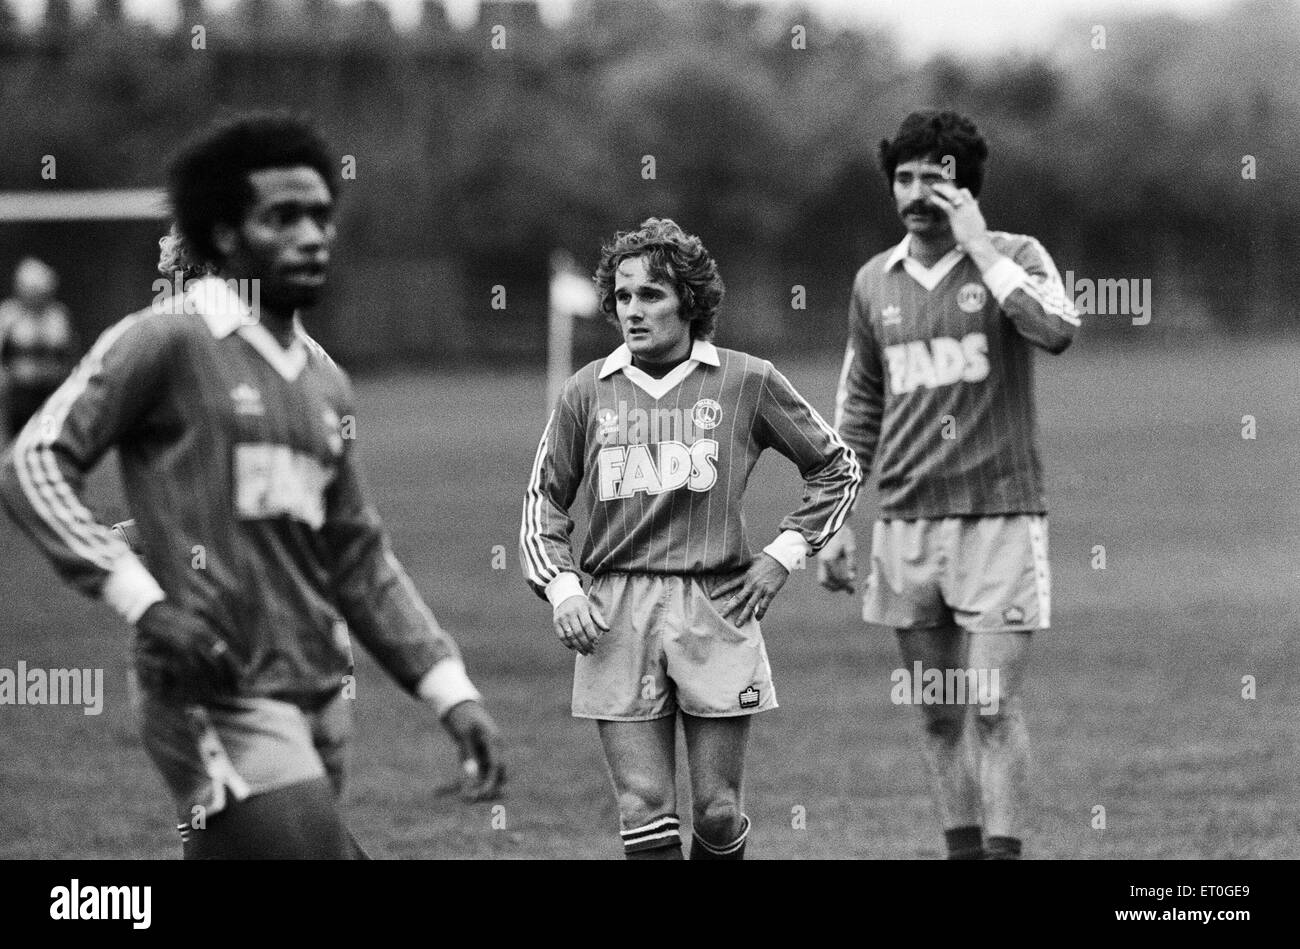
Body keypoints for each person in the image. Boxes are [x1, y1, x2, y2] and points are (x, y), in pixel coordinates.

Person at [0, 113, 504, 859]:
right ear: (226, 234)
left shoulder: (324, 379)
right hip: (217, 688)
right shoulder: (166, 339)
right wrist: (145, 600)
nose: (313, 234)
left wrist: (448, 690)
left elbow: (358, 557)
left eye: (322, 216)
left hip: (318, 691)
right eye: (284, 217)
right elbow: (33, 462)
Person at [521, 218, 861, 859]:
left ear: (689, 299)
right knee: (643, 806)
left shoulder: (745, 380)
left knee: (717, 810)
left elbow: (836, 467)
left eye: (650, 295)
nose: (632, 311)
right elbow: (543, 499)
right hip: (614, 613)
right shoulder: (586, 390)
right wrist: (563, 587)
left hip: (719, 606)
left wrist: (782, 555)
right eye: (622, 296)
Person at [818, 110, 1080, 860]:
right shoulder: (874, 281)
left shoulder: (1015, 254)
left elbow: (1056, 330)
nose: (918, 191)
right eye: (905, 178)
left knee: (993, 706)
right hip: (906, 522)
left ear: (967, 185)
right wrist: (835, 519)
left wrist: (977, 246)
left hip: (1000, 513)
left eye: (937, 176)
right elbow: (858, 405)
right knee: (938, 714)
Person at [0, 257, 77, 439]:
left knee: (46, 439)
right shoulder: (9, 315)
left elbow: (70, 353)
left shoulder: (58, 315)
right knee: (16, 440)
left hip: (50, 393)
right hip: (18, 394)